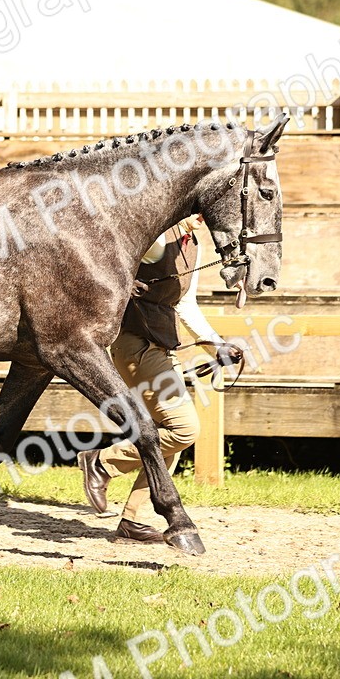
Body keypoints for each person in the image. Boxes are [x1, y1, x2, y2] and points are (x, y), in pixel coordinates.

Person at [77, 215, 243, 543]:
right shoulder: (157, 240)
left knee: (170, 436)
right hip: (136, 344)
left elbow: (185, 305)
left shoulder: (193, 245)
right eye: (193, 208)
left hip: (162, 346)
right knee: (185, 429)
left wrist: (217, 346)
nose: (199, 215)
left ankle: (131, 520)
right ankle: (101, 462)